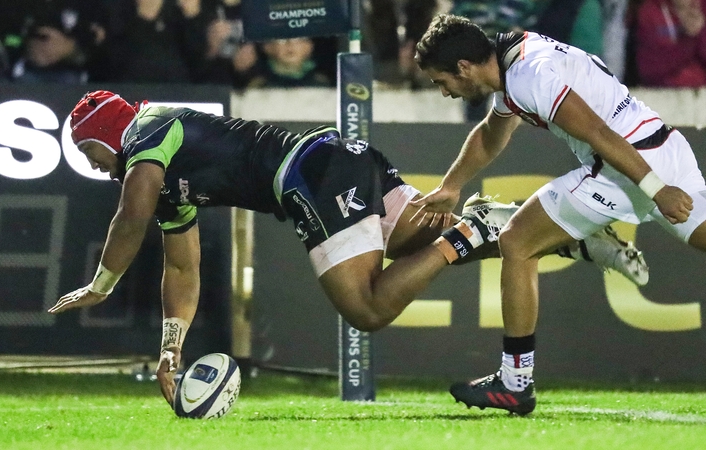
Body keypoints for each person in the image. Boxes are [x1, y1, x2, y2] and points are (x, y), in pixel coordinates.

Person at [47, 90, 650, 409]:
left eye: (87, 151)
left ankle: (472, 230)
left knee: (366, 307)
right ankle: (552, 235)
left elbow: (129, 215)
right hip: (337, 158)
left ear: (106, 136)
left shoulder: (146, 133)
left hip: (310, 175)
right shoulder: (160, 175)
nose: (91, 165)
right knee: (419, 244)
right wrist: (170, 348)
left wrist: (102, 284)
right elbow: (182, 266)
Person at [412, 14, 705, 415]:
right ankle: (588, 237)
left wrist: (657, 190)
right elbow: (491, 133)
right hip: (664, 148)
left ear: (463, 67)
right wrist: (451, 185)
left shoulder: (530, 77)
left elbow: (598, 133)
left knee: (516, 241)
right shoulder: (517, 60)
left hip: (625, 167)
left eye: (441, 81)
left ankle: (515, 382)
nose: (445, 92)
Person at [634, 0, 706, 87]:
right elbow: (649, 69)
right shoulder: (651, 11)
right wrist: (689, 40)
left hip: (702, 87)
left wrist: (700, 31)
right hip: (663, 90)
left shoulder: (702, 6)